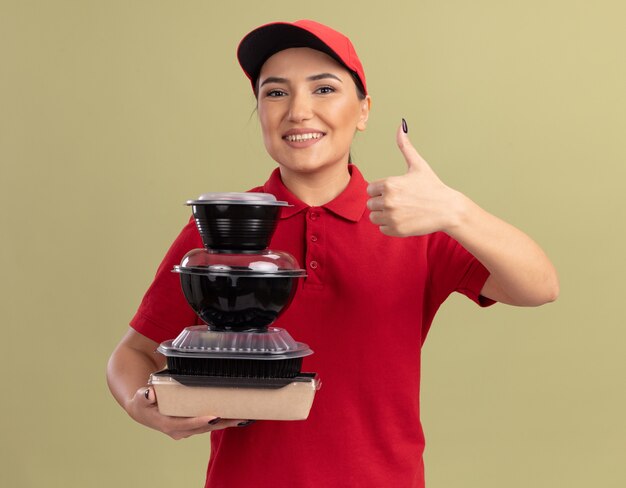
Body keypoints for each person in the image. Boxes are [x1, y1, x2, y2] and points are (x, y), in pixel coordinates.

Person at [107, 19, 559, 488]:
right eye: (275, 93)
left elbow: (541, 287)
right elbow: (134, 353)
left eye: (324, 89)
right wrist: (143, 406)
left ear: (363, 110)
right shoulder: (224, 227)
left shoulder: (413, 220)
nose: (299, 111)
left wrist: (456, 210)